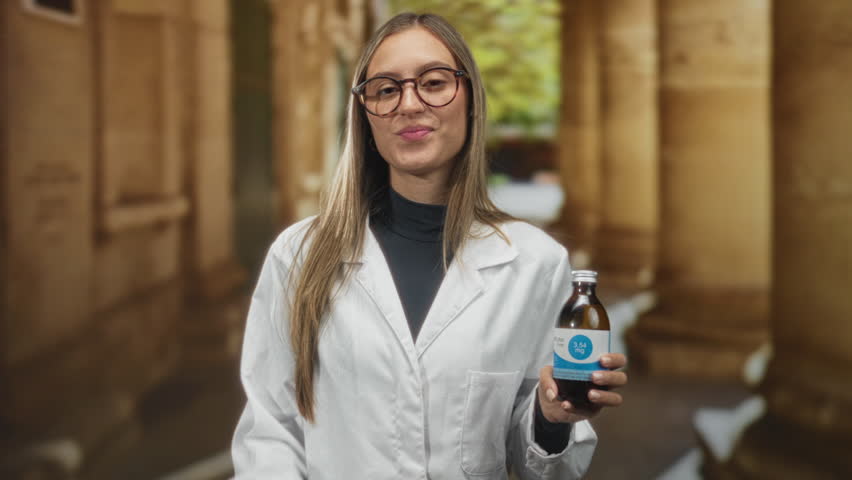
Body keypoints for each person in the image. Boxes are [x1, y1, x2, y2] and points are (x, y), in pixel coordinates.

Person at [231, 12, 627, 480]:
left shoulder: (535, 264)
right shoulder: (298, 256)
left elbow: (542, 464)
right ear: (365, 117)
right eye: (385, 89)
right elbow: (270, 432)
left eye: (434, 83)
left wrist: (551, 418)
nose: (409, 104)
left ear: (470, 100)